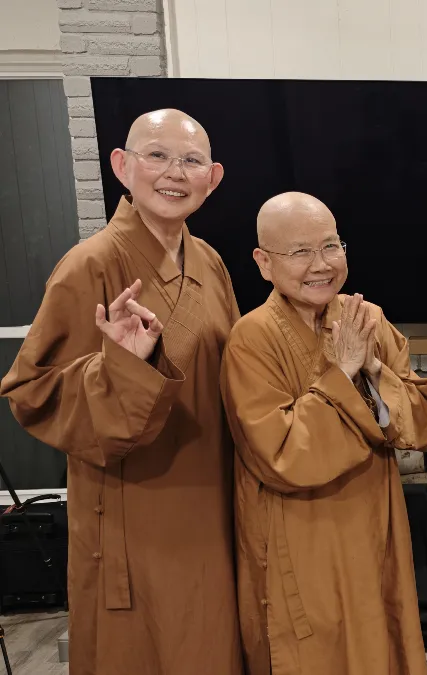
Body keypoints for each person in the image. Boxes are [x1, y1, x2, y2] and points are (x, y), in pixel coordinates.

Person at [0, 109, 242, 675]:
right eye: (156, 155)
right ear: (121, 166)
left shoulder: (209, 261)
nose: (174, 173)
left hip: (212, 495)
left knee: (212, 644)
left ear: (214, 177)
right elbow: (30, 392)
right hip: (136, 510)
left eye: (191, 160)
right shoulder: (90, 264)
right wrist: (122, 368)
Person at [219, 192, 427, 674]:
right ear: (263, 262)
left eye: (331, 247)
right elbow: (281, 455)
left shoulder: (367, 319)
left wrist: (375, 371)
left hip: (375, 523)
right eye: (299, 252)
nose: (321, 265)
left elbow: (420, 424)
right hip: (302, 535)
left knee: (380, 641)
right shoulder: (251, 339)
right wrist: (342, 374)